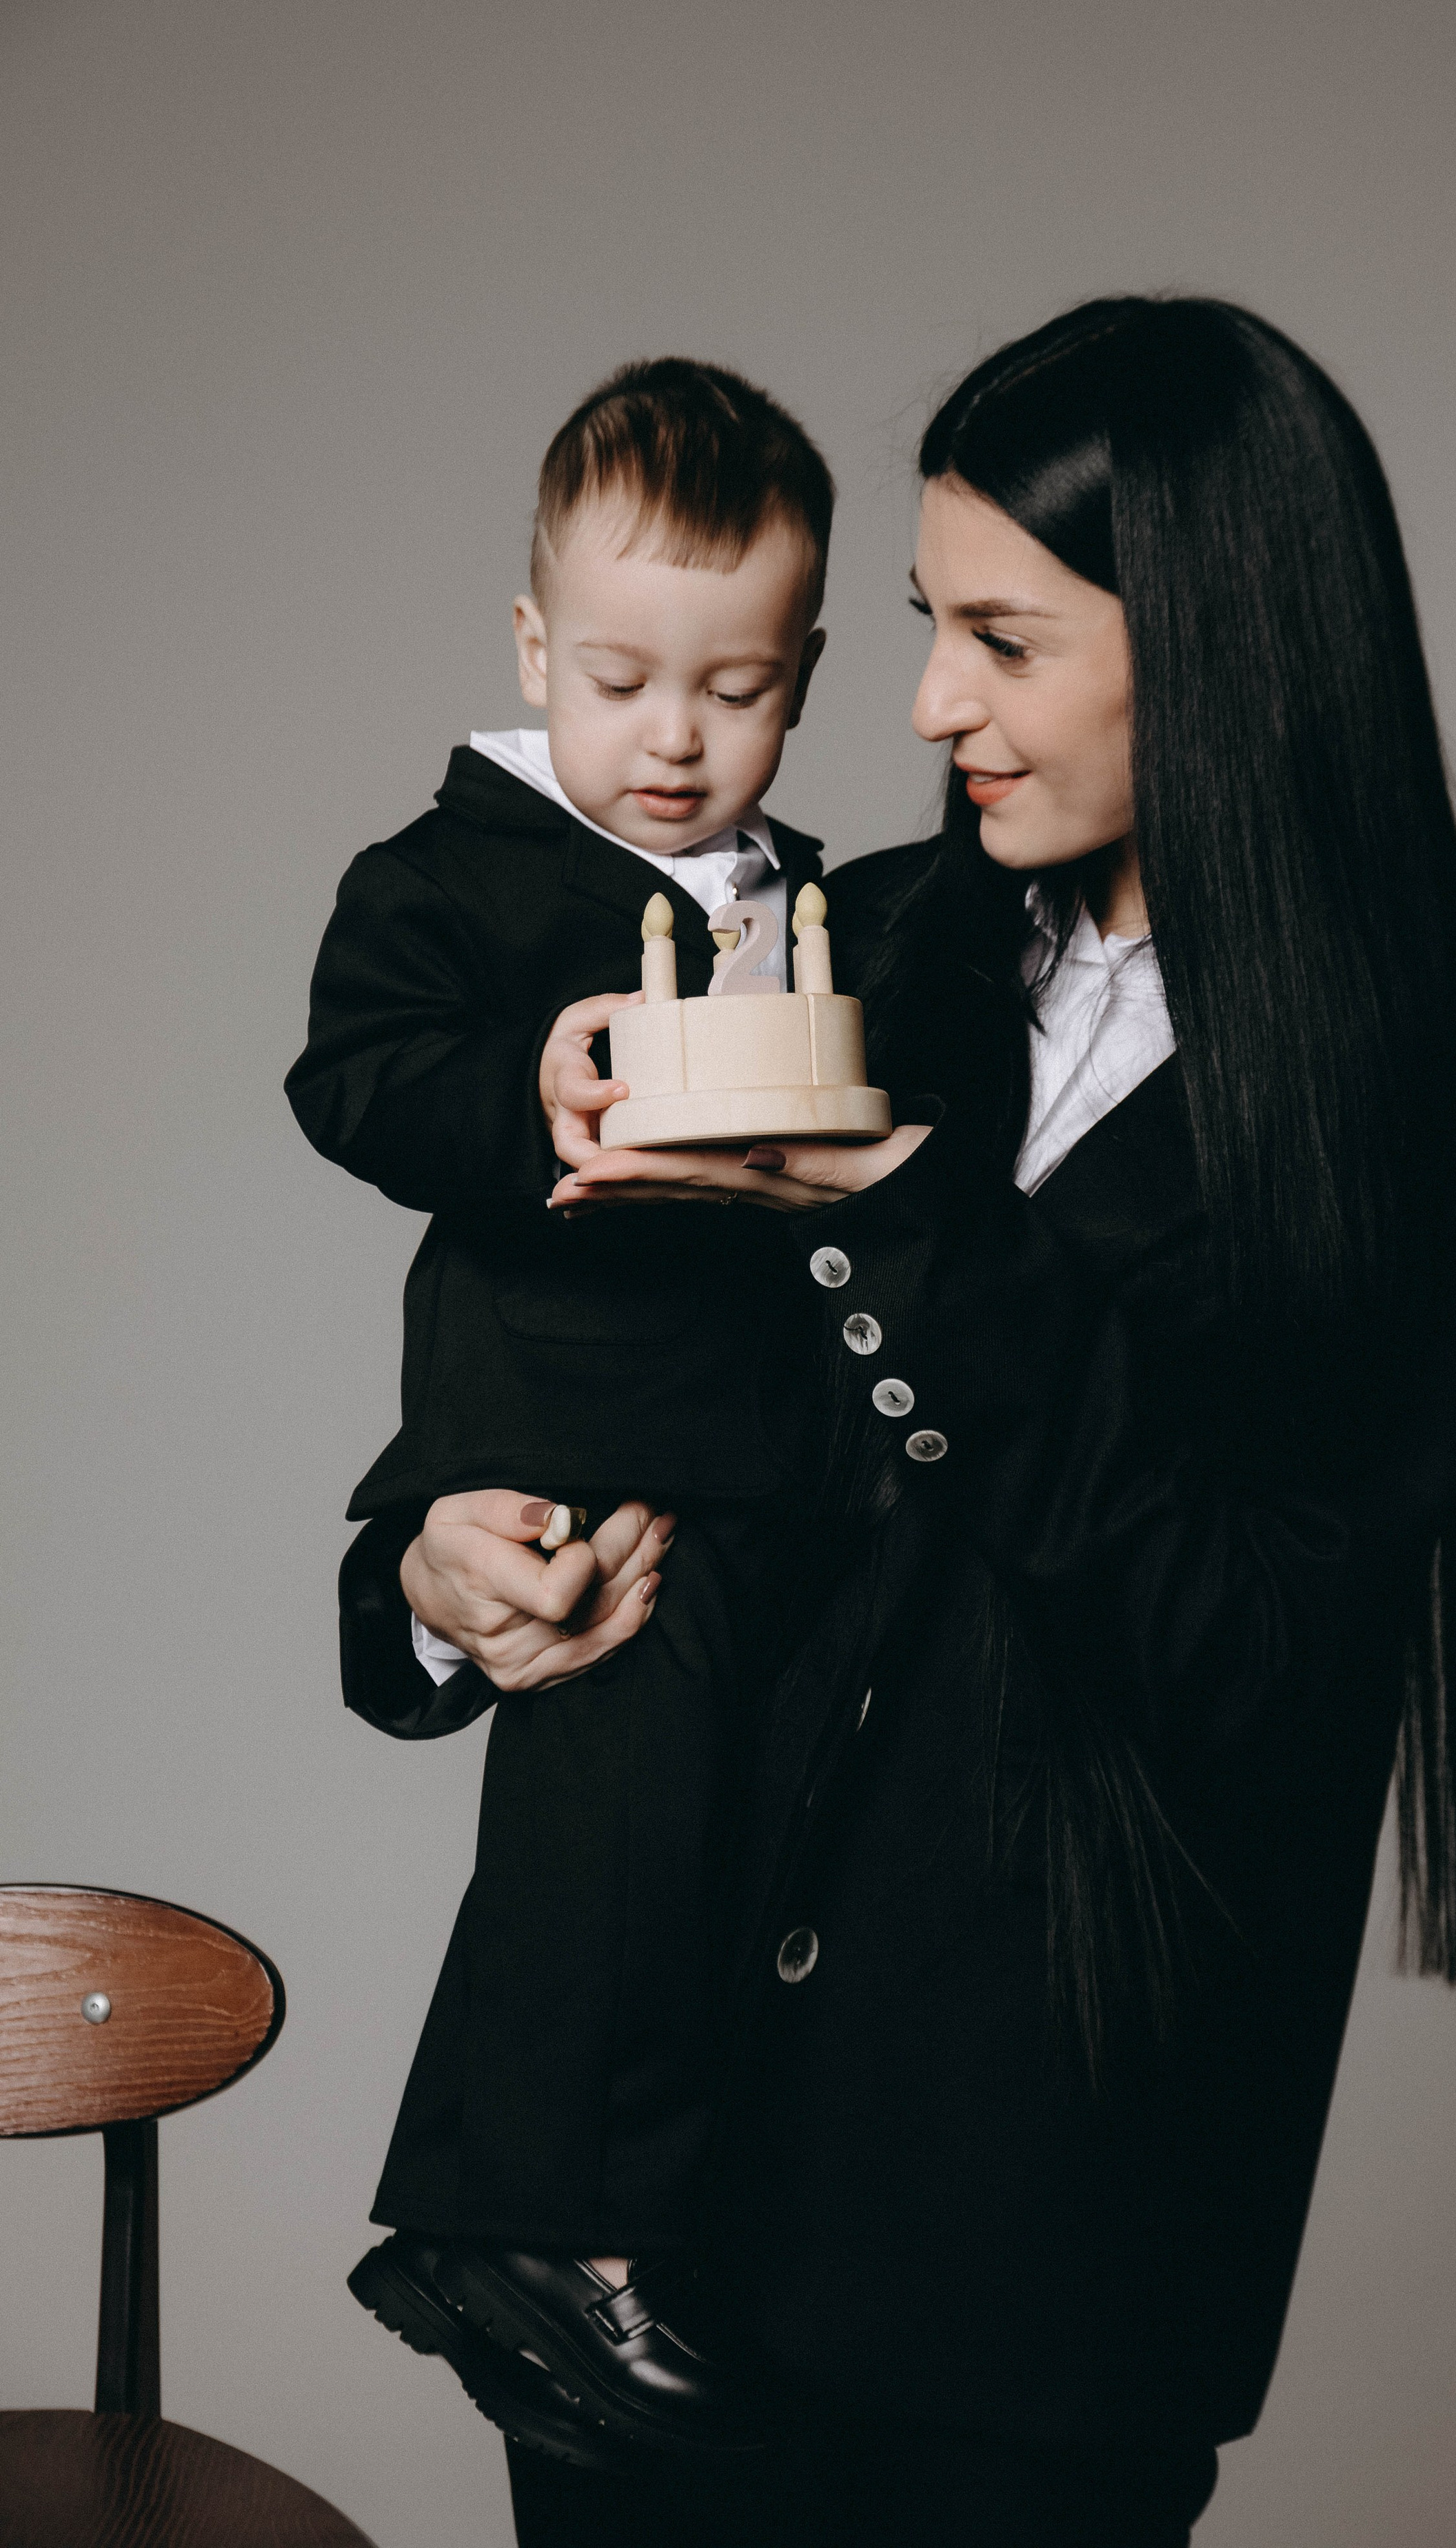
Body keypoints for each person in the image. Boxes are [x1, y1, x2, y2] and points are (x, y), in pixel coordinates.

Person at [337, 296, 1456, 2547]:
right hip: (654, 2229)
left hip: (1043, 2271)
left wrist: (922, 1220)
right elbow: (577, 1333)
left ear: (1213, 645)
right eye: (925, 628)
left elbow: (1255, 1661)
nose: (923, 709)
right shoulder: (844, 945)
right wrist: (433, 1570)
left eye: (1002, 641)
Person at [285, 358, 840, 2460]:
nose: (677, 739)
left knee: (671, 1853)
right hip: (571, 1442)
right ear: (535, 650)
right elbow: (354, 1079)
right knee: (612, 1840)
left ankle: (544, 2231)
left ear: (800, 672)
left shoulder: (830, 900)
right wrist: (529, 1087)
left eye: (738, 688)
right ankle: (524, 2230)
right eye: (620, 679)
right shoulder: (448, 877)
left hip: (762, 1462)